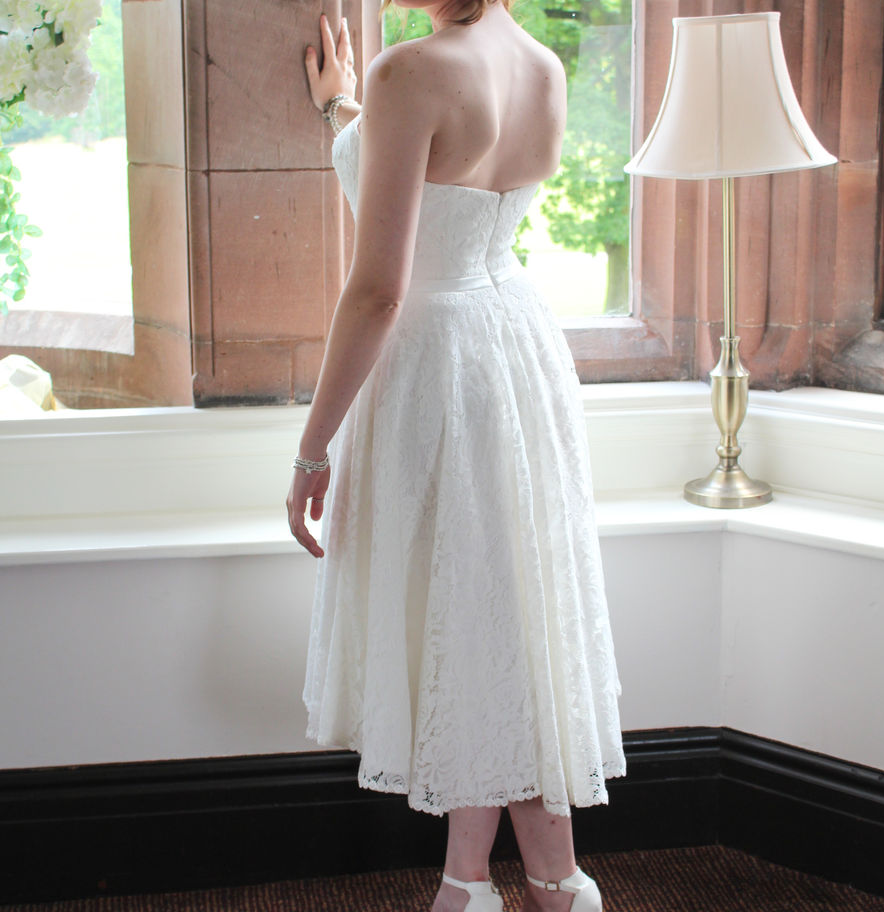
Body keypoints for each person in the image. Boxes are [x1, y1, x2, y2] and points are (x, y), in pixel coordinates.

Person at [287, 1, 626, 910]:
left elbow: (378, 292)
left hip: (438, 365)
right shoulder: (543, 69)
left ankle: (530, 883)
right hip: (514, 348)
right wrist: (341, 110)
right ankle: (493, 883)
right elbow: (448, 182)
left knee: (476, 614)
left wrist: (312, 451)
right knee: (494, 622)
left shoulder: (409, 71)